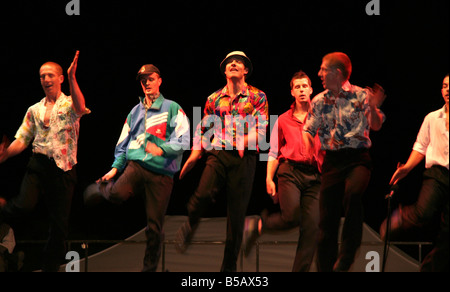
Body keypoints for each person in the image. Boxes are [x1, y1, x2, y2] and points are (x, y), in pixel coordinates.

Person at [83, 64, 190, 272]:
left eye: (150, 79)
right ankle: (103, 188)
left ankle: (149, 269)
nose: (147, 83)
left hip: (162, 173)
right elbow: (123, 144)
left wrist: (162, 149)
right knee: (116, 194)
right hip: (137, 166)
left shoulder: (172, 107)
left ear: (159, 80)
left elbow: (185, 138)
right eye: (143, 80)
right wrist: (114, 169)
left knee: (154, 228)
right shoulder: (134, 112)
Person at [175, 51, 269, 272]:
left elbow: (263, 130)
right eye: (229, 62)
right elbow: (203, 130)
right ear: (225, 70)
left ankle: (229, 269)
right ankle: (191, 223)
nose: (234, 64)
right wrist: (194, 155)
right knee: (202, 193)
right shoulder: (213, 98)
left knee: (236, 217)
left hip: (244, 157)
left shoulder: (258, 96)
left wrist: (244, 140)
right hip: (218, 152)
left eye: (239, 62)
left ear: (245, 70)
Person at [0, 51, 88, 272]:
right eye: (42, 76)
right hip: (39, 164)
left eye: (50, 75)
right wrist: (5, 155)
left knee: (59, 227)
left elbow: (80, 107)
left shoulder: (69, 104)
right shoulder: (34, 109)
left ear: (59, 78)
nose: (46, 79)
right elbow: (22, 139)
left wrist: (72, 77)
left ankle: (50, 268)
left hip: (63, 169)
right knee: (23, 205)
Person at [303, 52, 386, 272]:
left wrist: (374, 107)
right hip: (332, 162)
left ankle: (347, 255)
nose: (319, 73)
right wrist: (310, 145)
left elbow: (376, 126)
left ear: (336, 73)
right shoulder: (319, 100)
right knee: (326, 223)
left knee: (353, 194)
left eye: (323, 69)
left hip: (357, 159)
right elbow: (308, 129)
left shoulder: (361, 95)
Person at [242, 70, 323, 272]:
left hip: (315, 176)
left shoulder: (322, 118)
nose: (302, 90)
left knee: (312, 228)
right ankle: (260, 225)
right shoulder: (283, 120)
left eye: (305, 86)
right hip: (290, 172)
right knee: (292, 216)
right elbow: (274, 151)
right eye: (298, 87)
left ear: (311, 90)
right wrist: (269, 178)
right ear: (292, 92)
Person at [380, 74, 449, 272]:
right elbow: (421, 146)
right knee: (424, 212)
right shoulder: (432, 117)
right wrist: (407, 168)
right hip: (436, 174)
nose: (448, 90)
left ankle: (428, 269)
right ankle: (401, 218)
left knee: (447, 235)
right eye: (444, 86)